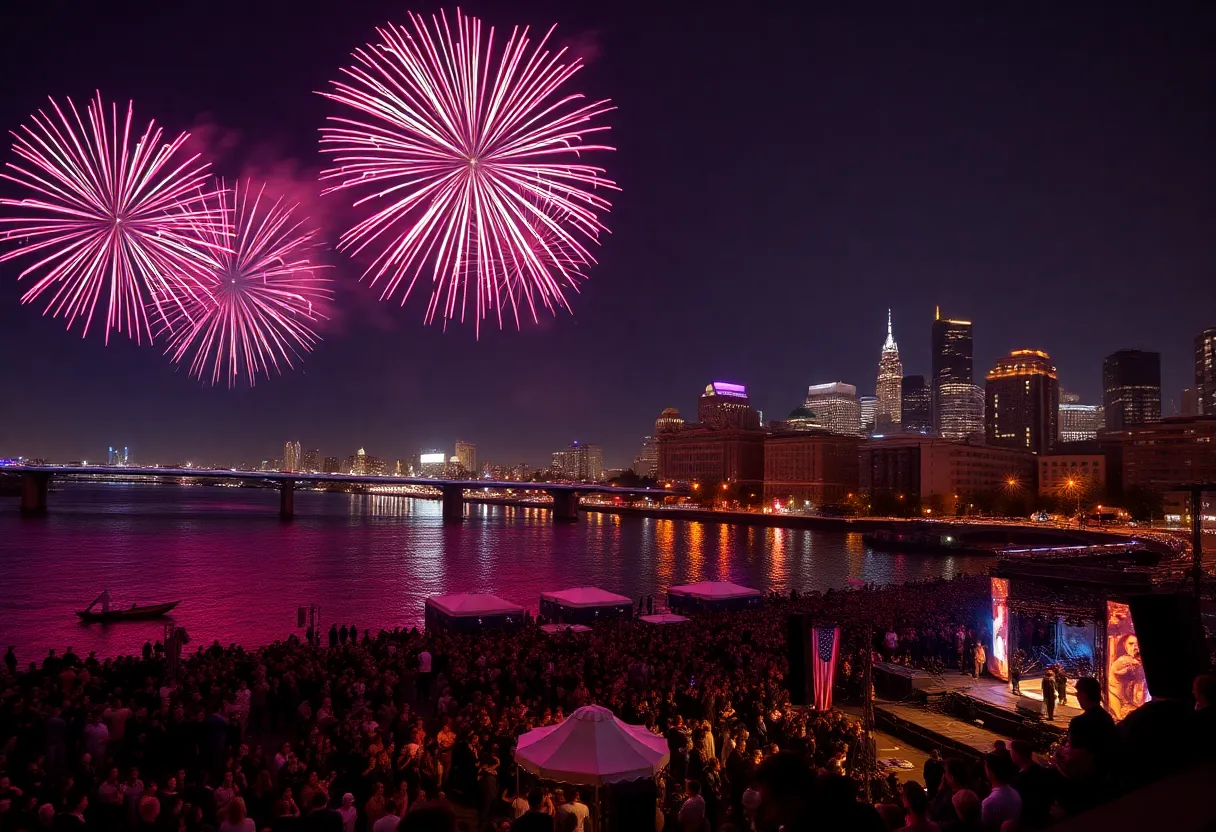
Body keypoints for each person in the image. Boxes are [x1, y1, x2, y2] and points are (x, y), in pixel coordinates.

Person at [1067, 677, 1119, 771]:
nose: (1077, 697)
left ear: (1084, 696)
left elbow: (1074, 755)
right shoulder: (1107, 718)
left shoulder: (1079, 722)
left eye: (1078, 694)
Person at [1009, 741, 1052, 828]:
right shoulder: (1042, 770)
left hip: (1029, 822)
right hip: (1044, 815)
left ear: (1017, 755)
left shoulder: (1021, 779)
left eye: (1011, 752)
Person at [980, 752, 1021, 830]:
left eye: (985, 767)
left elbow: (986, 828)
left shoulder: (989, 802)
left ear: (990, 772)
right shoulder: (1015, 793)